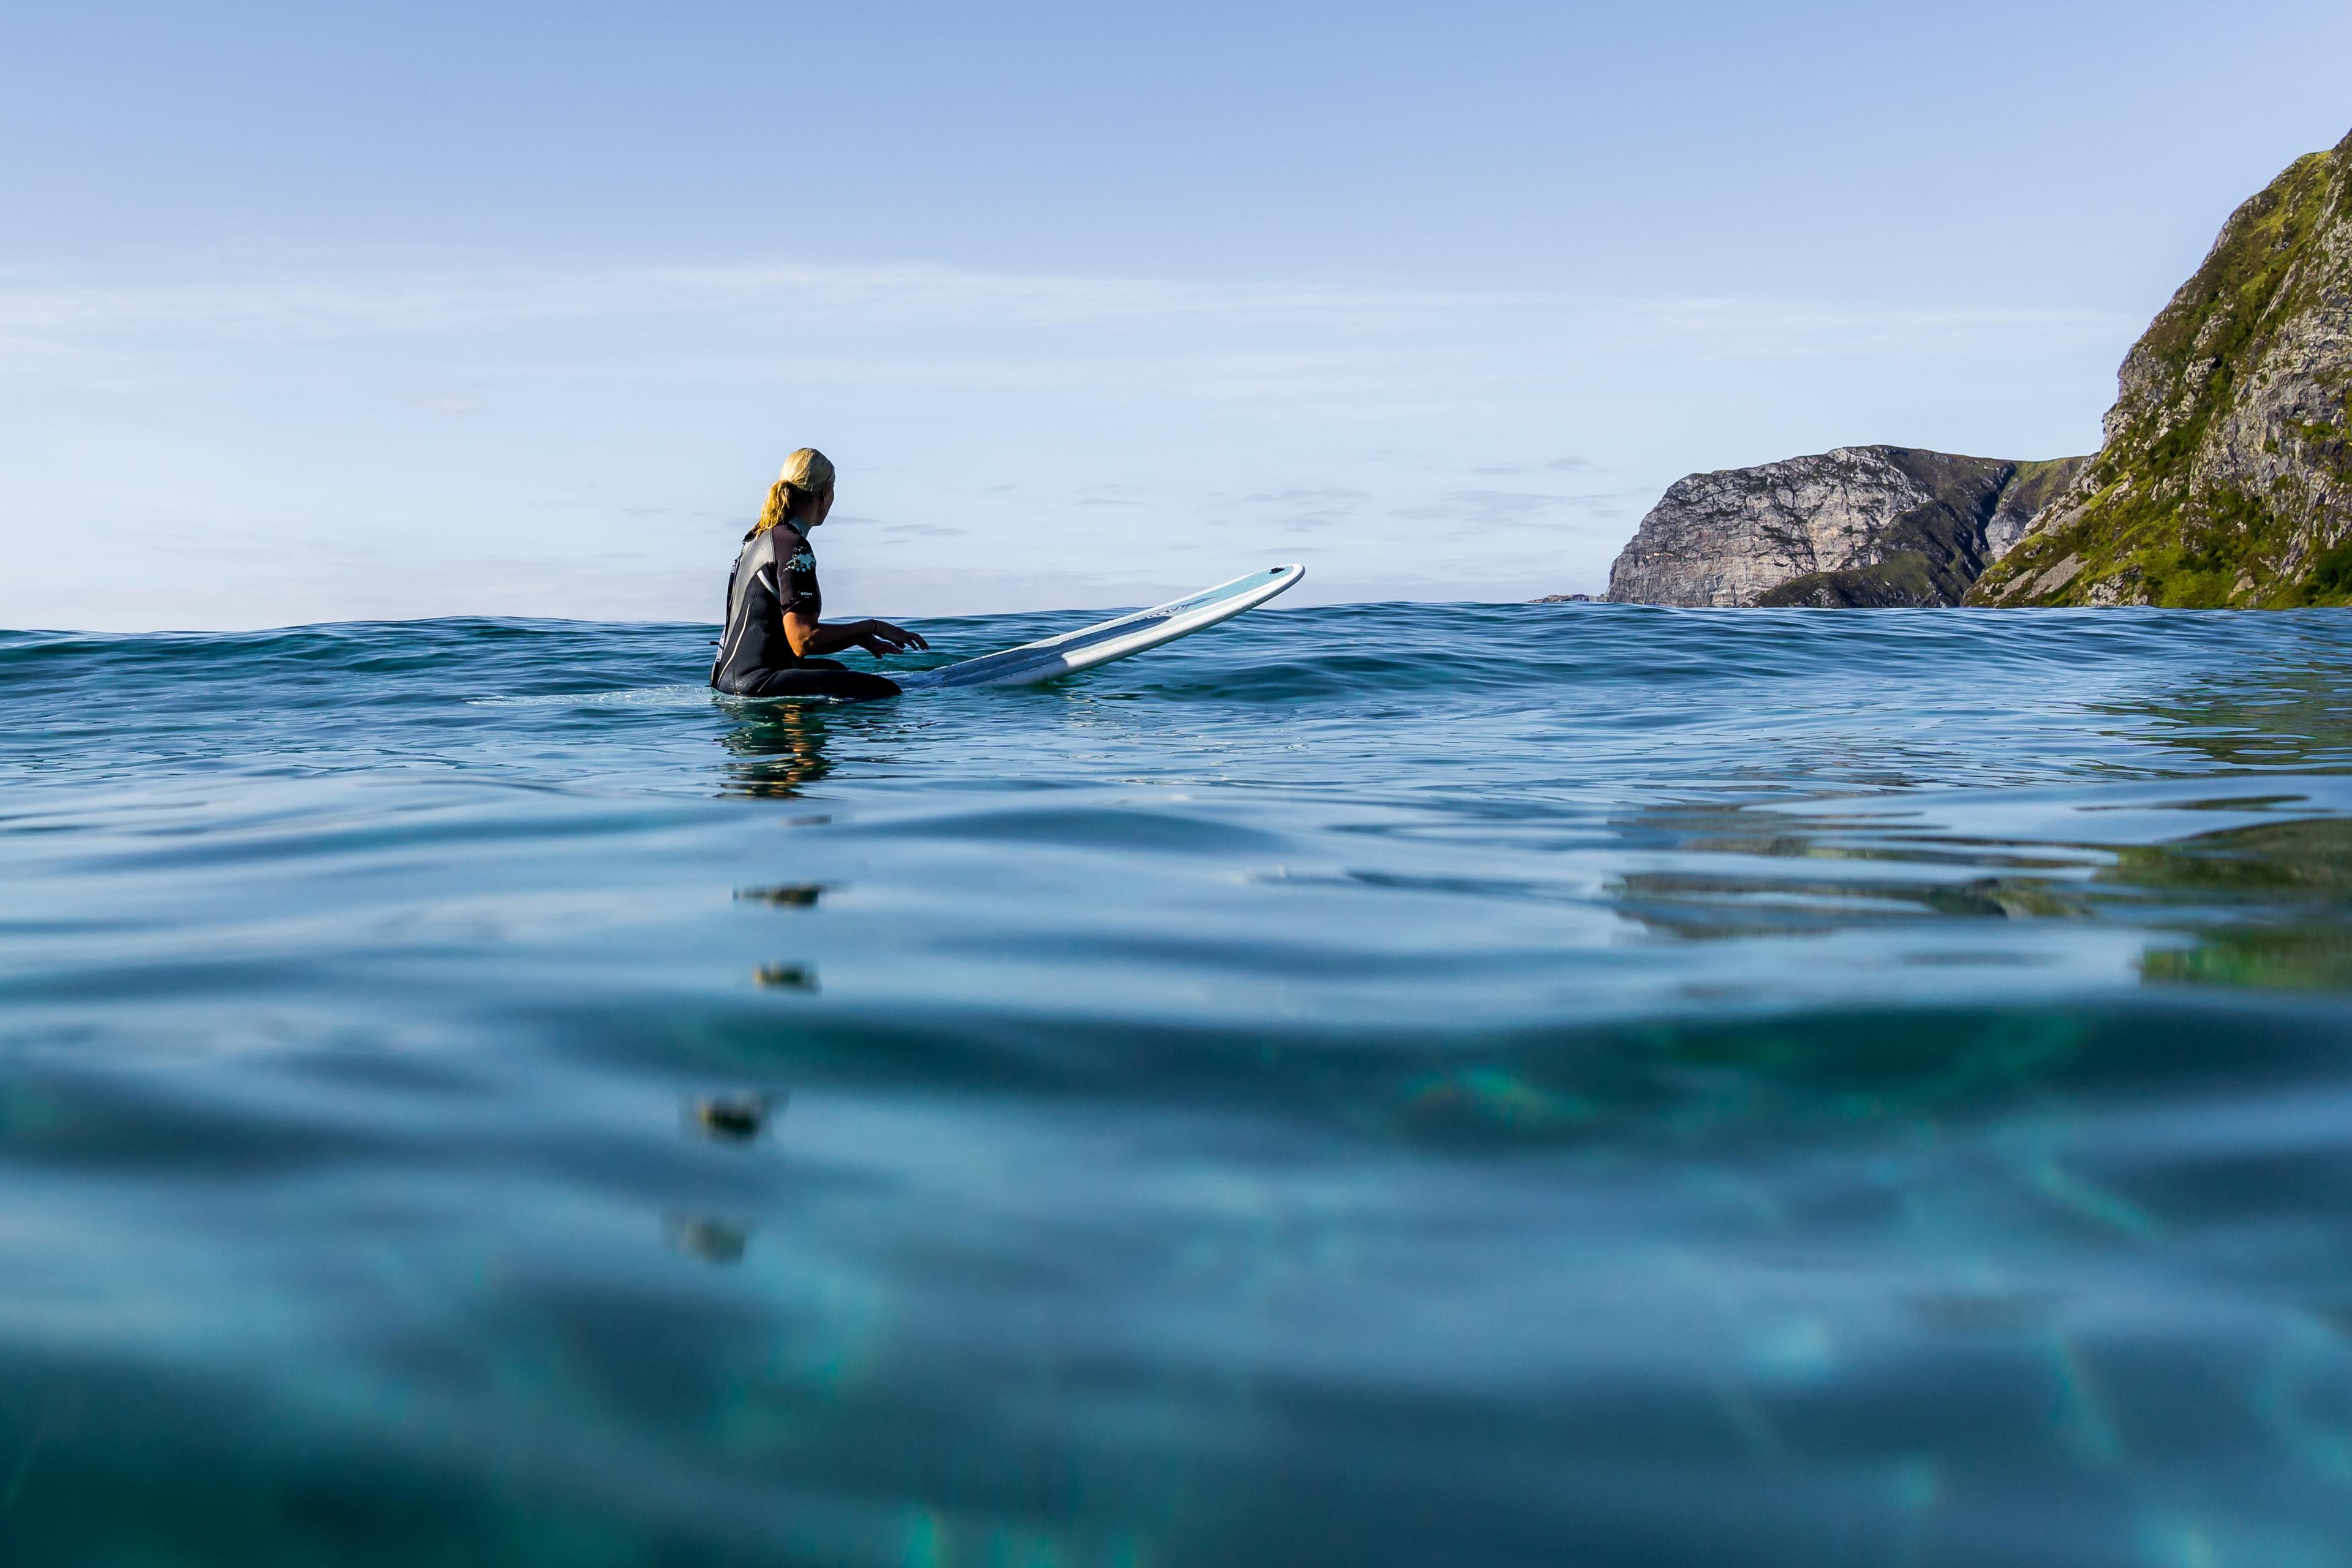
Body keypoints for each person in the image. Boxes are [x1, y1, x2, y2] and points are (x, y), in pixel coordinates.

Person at [709, 448, 928, 701]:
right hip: (756, 683)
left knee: (837, 671)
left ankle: (800, 732)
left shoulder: (759, 537)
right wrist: (875, 626)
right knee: (885, 690)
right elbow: (803, 640)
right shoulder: (793, 547)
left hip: (731, 679)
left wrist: (859, 636)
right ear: (826, 493)